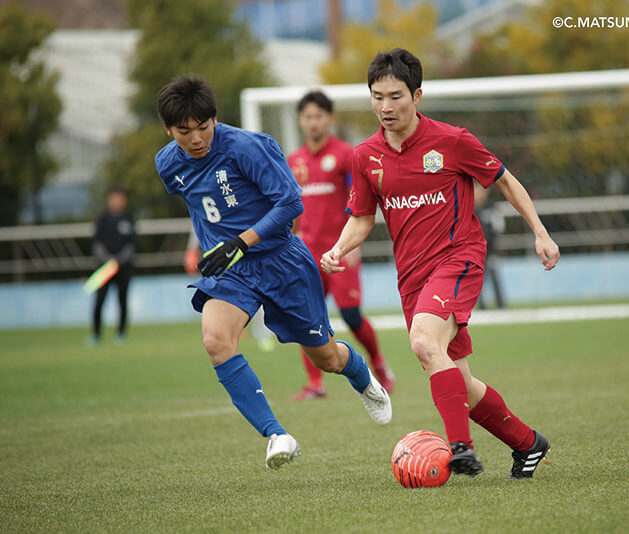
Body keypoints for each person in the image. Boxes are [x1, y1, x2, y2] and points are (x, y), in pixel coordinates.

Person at [321, 48, 560, 479]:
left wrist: (540, 232)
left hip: (459, 259)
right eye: (377, 97)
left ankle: (459, 447)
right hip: (412, 277)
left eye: (396, 96)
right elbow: (361, 217)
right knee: (460, 384)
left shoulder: (452, 140)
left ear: (418, 96)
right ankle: (528, 443)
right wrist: (340, 249)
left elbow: (504, 179)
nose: (385, 107)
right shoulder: (365, 156)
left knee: (423, 342)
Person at [154, 76, 391, 471]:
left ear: (215, 119)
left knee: (326, 358)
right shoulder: (167, 164)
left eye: (203, 127)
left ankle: (362, 375)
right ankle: (276, 434)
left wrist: (242, 240)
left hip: (282, 260)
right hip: (230, 270)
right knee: (215, 340)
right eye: (184, 131)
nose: (196, 139)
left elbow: (290, 203)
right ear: (168, 129)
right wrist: (204, 245)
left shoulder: (248, 147)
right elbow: (201, 204)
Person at [287, 90, 394, 400]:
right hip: (306, 254)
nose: (313, 123)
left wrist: (354, 244)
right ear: (300, 121)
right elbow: (291, 208)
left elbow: (360, 201)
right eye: (307, 117)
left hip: (340, 252)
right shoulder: (294, 161)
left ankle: (379, 365)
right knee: (304, 317)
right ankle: (314, 383)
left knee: (351, 316)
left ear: (330, 119)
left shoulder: (347, 154)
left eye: (319, 116)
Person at [90, 185, 136, 345]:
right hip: (104, 267)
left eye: (121, 197)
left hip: (123, 267)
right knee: (99, 301)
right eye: (115, 197)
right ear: (109, 199)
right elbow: (97, 243)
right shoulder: (102, 219)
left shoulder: (129, 218)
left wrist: (119, 260)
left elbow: (132, 244)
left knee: (122, 301)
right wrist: (107, 260)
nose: (118, 201)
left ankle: (121, 334)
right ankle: (96, 335)